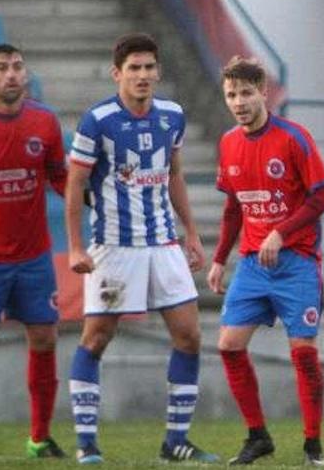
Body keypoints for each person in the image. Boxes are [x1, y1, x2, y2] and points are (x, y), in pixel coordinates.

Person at [65, 33, 217, 464]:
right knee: (96, 338)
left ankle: (176, 442)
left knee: (189, 336)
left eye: (149, 67)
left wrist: (190, 232)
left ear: (159, 71)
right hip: (114, 249)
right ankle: (87, 442)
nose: (143, 75)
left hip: (163, 244)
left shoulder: (172, 115)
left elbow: (175, 175)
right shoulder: (97, 120)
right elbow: (75, 185)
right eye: (134, 68)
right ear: (118, 74)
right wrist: (77, 247)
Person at [208, 56, 324, 466]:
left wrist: (281, 232)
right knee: (228, 346)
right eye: (232, 94)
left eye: (246, 92)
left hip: (296, 262)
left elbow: (323, 196)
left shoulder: (294, 137)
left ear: (263, 93)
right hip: (252, 264)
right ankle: (257, 435)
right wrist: (218, 259)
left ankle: (312, 443)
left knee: (303, 354)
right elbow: (233, 207)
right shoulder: (228, 143)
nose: (239, 101)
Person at [0, 43, 68, 459]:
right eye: (2, 67)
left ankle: (39, 437)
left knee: (43, 338)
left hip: (33, 256)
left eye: (17, 67)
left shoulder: (44, 121)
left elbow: (58, 176)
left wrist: (86, 194)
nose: (10, 74)